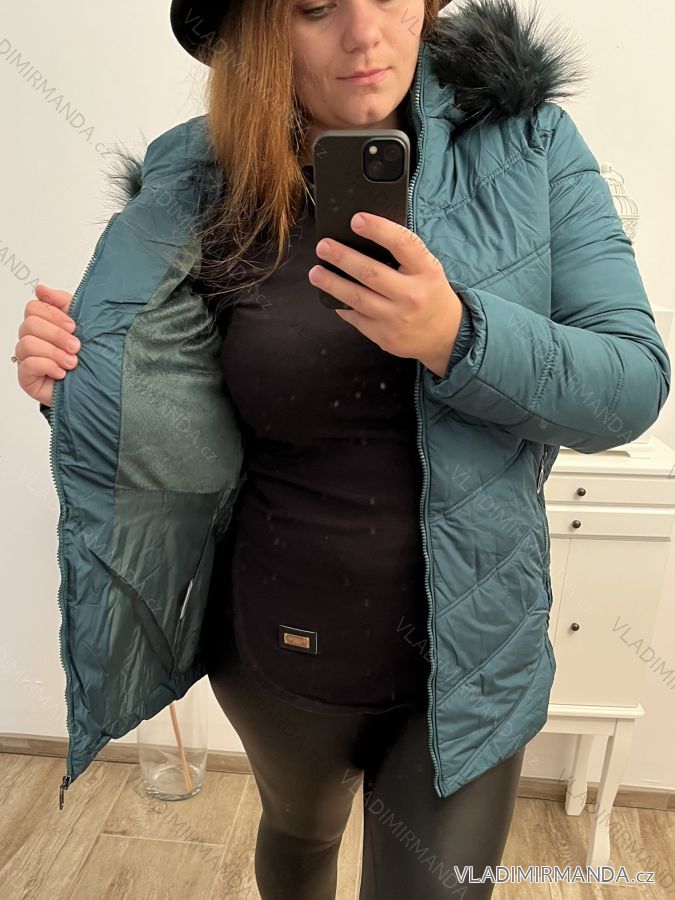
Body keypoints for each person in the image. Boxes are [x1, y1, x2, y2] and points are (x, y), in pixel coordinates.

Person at [12, 0, 671, 897]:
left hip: (473, 657)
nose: (365, 35)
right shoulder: (197, 180)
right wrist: (82, 384)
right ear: (256, 27)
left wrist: (456, 335)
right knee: (298, 837)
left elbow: (629, 385)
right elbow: (176, 417)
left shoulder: (529, 147)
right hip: (277, 642)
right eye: (316, 7)